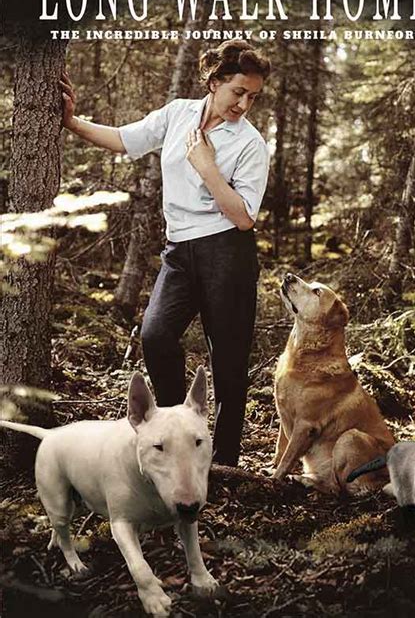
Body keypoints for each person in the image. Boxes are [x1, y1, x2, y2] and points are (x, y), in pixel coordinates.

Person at [61, 40, 271, 466]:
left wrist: (207, 168)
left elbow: (244, 217)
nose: (243, 104)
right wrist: (71, 122)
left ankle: (223, 464)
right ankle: (178, 433)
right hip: (179, 251)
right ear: (214, 82)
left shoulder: (251, 144)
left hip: (227, 253)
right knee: (155, 335)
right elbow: (125, 139)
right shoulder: (178, 113)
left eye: (252, 97)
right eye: (238, 92)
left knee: (229, 364)